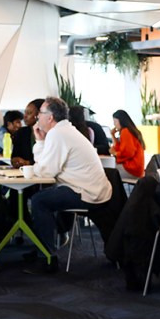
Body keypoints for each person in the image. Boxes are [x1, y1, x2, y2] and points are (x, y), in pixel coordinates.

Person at [25, 97, 113, 274]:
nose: (37, 117)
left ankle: (47, 258)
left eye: (40, 113)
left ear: (50, 117)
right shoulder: (63, 131)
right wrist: (41, 142)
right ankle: (44, 248)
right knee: (44, 198)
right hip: (91, 189)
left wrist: (39, 144)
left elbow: (45, 172)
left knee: (39, 201)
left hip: (86, 192)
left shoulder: (58, 134)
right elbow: (46, 168)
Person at [110, 109, 146, 178]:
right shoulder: (130, 131)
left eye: (115, 121)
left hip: (132, 169)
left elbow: (128, 152)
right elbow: (119, 149)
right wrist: (113, 135)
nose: (114, 124)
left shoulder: (125, 132)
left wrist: (115, 153)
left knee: (108, 170)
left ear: (121, 121)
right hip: (137, 170)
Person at [11, 98, 44, 168]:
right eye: (25, 112)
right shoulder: (21, 132)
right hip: (24, 173)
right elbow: (14, 156)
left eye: (29, 113)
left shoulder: (49, 134)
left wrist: (28, 162)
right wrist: (16, 161)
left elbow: (48, 160)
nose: (25, 116)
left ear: (39, 115)